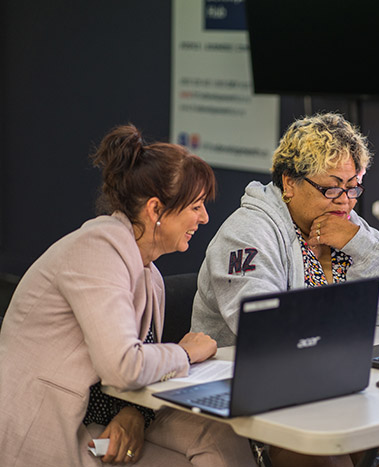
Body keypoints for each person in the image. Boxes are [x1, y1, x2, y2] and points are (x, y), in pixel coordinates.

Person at [0, 124, 255, 466]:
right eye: (196, 207)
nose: (205, 218)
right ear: (156, 210)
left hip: (99, 415)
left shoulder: (149, 273)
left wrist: (135, 412)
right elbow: (123, 365)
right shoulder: (97, 252)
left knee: (219, 435)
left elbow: (128, 371)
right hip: (49, 427)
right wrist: (184, 353)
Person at [191, 112, 379, 466]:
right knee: (328, 448)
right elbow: (265, 328)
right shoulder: (247, 233)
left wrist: (359, 244)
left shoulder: (348, 226)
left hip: (334, 383)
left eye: (354, 187)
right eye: (331, 187)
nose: (345, 201)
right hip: (257, 399)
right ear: (290, 183)